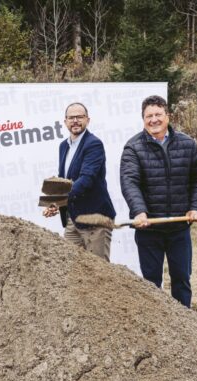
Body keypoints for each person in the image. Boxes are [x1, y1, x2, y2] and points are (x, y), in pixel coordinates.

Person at [120, 95, 197, 308]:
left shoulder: (187, 144)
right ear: (143, 119)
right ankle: (156, 333)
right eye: (148, 116)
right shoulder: (133, 147)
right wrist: (139, 212)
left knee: (181, 279)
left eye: (158, 114)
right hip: (149, 229)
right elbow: (129, 182)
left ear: (168, 116)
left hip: (179, 228)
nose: (154, 120)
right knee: (150, 284)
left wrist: (195, 207)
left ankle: (186, 325)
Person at [43, 102, 116, 261]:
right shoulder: (63, 146)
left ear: (87, 120)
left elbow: (86, 180)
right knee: (70, 272)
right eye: (71, 117)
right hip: (72, 220)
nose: (75, 121)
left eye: (79, 117)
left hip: (96, 220)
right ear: (65, 122)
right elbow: (65, 181)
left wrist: (57, 200)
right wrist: (54, 204)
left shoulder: (94, 144)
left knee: (99, 274)